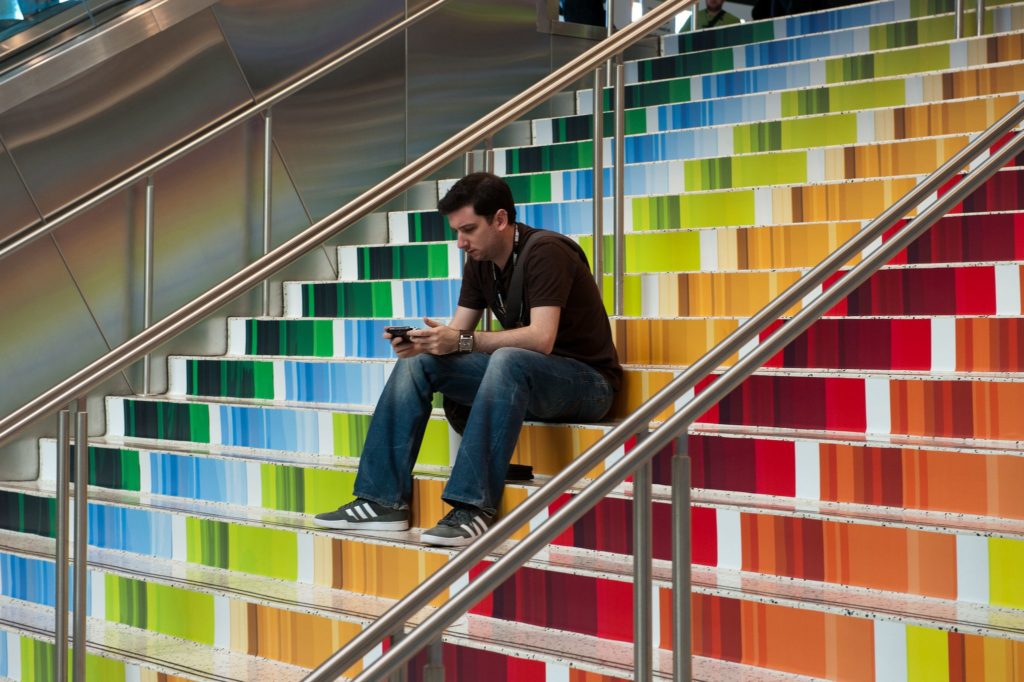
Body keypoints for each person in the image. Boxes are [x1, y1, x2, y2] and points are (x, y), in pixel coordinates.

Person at [314, 173, 622, 547]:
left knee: (510, 358)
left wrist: (459, 340)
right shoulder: (481, 261)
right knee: (421, 363)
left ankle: (471, 508)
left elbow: (541, 338)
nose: (461, 242)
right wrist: (427, 344)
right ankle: (382, 501)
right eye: (457, 231)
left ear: (500, 220)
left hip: (587, 384)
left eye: (469, 230)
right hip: (524, 379)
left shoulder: (547, 251)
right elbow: (460, 334)